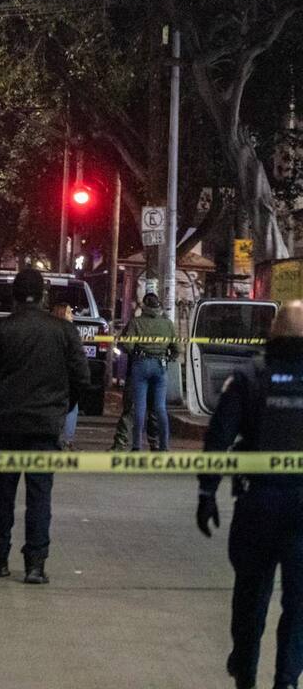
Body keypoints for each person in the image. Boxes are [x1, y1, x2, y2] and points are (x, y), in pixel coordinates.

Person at [197, 300, 303, 689]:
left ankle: (244, 668)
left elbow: (219, 437)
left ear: (273, 331)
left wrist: (206, 493)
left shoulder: (249, 377)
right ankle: (287, 680)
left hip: (257, 503)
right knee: (299, 603)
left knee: (250, 594)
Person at [0, 267, 91, 584]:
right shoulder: (64, 332)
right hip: (45, 426)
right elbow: (82, 379)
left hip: (6, 425)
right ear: (43, 295)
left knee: (3, 494)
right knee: (40, 496)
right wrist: (61, 407)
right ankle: (35, 563)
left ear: (14, 295)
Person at [118, 292, 178, 451]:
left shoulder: (136, 323)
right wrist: (168, 357)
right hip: (160, 367)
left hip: (141, 365)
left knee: (139, 408)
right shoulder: (168, 324)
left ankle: (136, 446)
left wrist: (135, 351)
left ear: (144, 306)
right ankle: (164, 446)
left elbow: (128, 346)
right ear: (158, 306)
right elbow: (177, 349)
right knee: (160, 408)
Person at [51, 302, 80, 450]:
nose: (72, 315)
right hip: (64, 376)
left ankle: (58, 439)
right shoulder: (70, 332)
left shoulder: (48, 330)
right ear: (62, 314)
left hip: (54, 375)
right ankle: (66, 441)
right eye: (69, 312)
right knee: (71, 407)